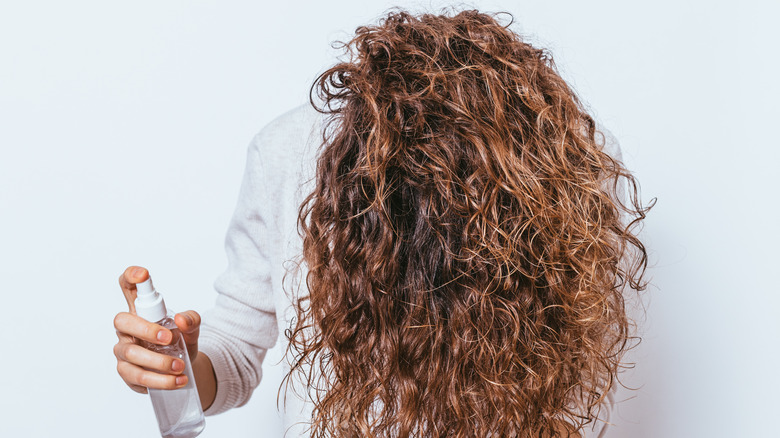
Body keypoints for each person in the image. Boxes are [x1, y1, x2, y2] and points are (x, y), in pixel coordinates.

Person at [113, 9, 650, 438]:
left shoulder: (565, 155)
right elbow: (235, 346)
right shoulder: (290, 152)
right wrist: (176, 367)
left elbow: (574, 357)